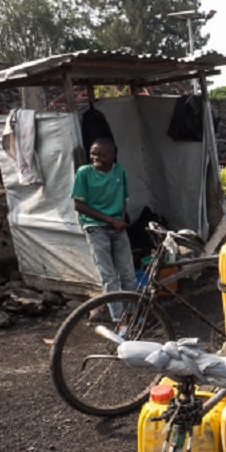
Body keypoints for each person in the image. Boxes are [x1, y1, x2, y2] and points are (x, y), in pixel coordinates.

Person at [71, 137, 137, 320]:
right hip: (95, 228)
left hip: (117, 228)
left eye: (102, 154)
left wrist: (121, 220)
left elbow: (124, 199)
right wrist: (110, 220)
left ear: (113, 155)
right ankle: (119, 320)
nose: (96, 157)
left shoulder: (119, 172)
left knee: (128, 274)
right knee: (108, 276)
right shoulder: (84, 172)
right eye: (93, 153)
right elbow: (79, 205)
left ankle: (134, 314)